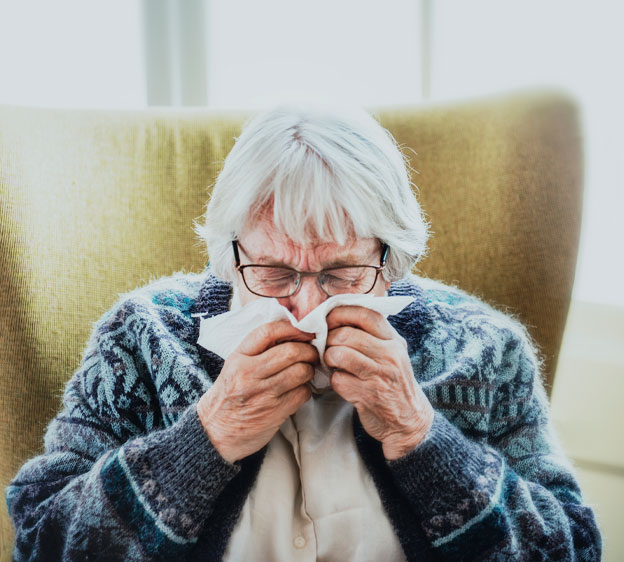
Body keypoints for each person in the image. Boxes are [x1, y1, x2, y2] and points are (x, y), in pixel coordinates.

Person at [6, 104, 601, 561]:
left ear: (389, 261)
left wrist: (421, 436)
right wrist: (204, 438)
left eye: (341, 273)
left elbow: (573, 546)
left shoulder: (483, 351)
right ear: (229, 253)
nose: (305, 307)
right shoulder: (141, 340)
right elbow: (40, 539)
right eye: (273, 272)